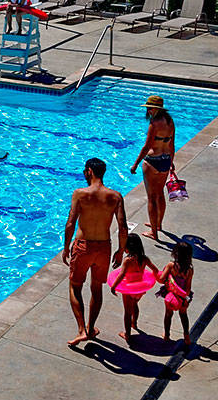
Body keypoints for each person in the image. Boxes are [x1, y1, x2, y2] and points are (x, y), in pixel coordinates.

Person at [63, 157, 127, 347]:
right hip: (104, 247)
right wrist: (120, 250)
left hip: (83, 246)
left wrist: (66, 247)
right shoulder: (115, 196)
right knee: (97, 288)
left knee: (75, 286)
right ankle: (91, 328)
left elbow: (70, 223)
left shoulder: (80, 194)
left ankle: (82, 330)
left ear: (89, 171)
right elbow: (123, 227)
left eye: (85, 171)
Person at [131, 96, 175, 240]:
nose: (148, 110)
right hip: (165, 160)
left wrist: (135, 163)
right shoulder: (170, 122)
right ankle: (158, 225)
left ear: (158, 109)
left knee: (151, 198)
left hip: (152, 161)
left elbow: (147, 146)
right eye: (147, 108)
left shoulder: (154, 123)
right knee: (160, 194)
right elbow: (171, 145)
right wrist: (171, 162)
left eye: (150, 108)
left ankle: (154, 234)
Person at [109, 235, 159, 343]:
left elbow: (121, 275)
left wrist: (113, 287)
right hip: (139, 289)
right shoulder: (144, 259)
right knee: (135, 305)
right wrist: (159, 278)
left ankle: (127, 334)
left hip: (129, 289)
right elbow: (155, 270)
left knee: (127, 312)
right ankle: (134, 323)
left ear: (127, 248)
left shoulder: (128, 260)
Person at [157, 240, 195, 346]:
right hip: (182, 296)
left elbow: (161, 279)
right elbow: (188, 287)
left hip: (171, 295)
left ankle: (167, 335)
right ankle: (186, 336)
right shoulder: (189, 270)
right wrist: (185, 298)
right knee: (183, 315)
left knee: (168, 314)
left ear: (175, 253)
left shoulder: (171, 266)